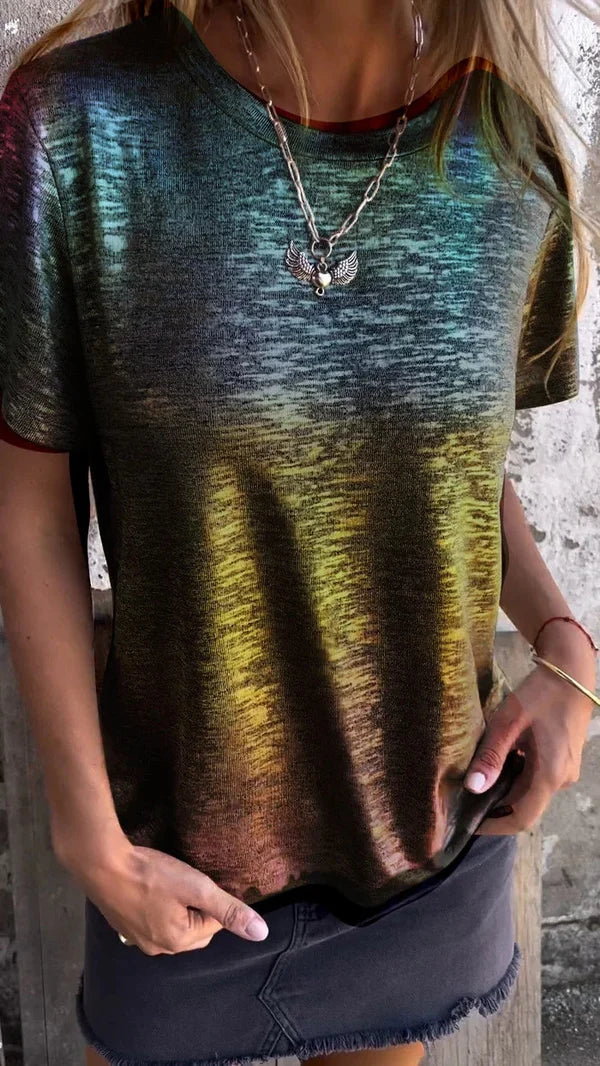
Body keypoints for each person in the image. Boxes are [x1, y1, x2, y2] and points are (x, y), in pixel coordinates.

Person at [0, 1, 598, 1064]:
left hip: (427, 845)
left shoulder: (514, 157)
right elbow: (32, 500)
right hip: (172, 855)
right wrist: (86, 832)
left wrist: (566, 646)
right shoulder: (80, 127)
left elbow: (452, 470)